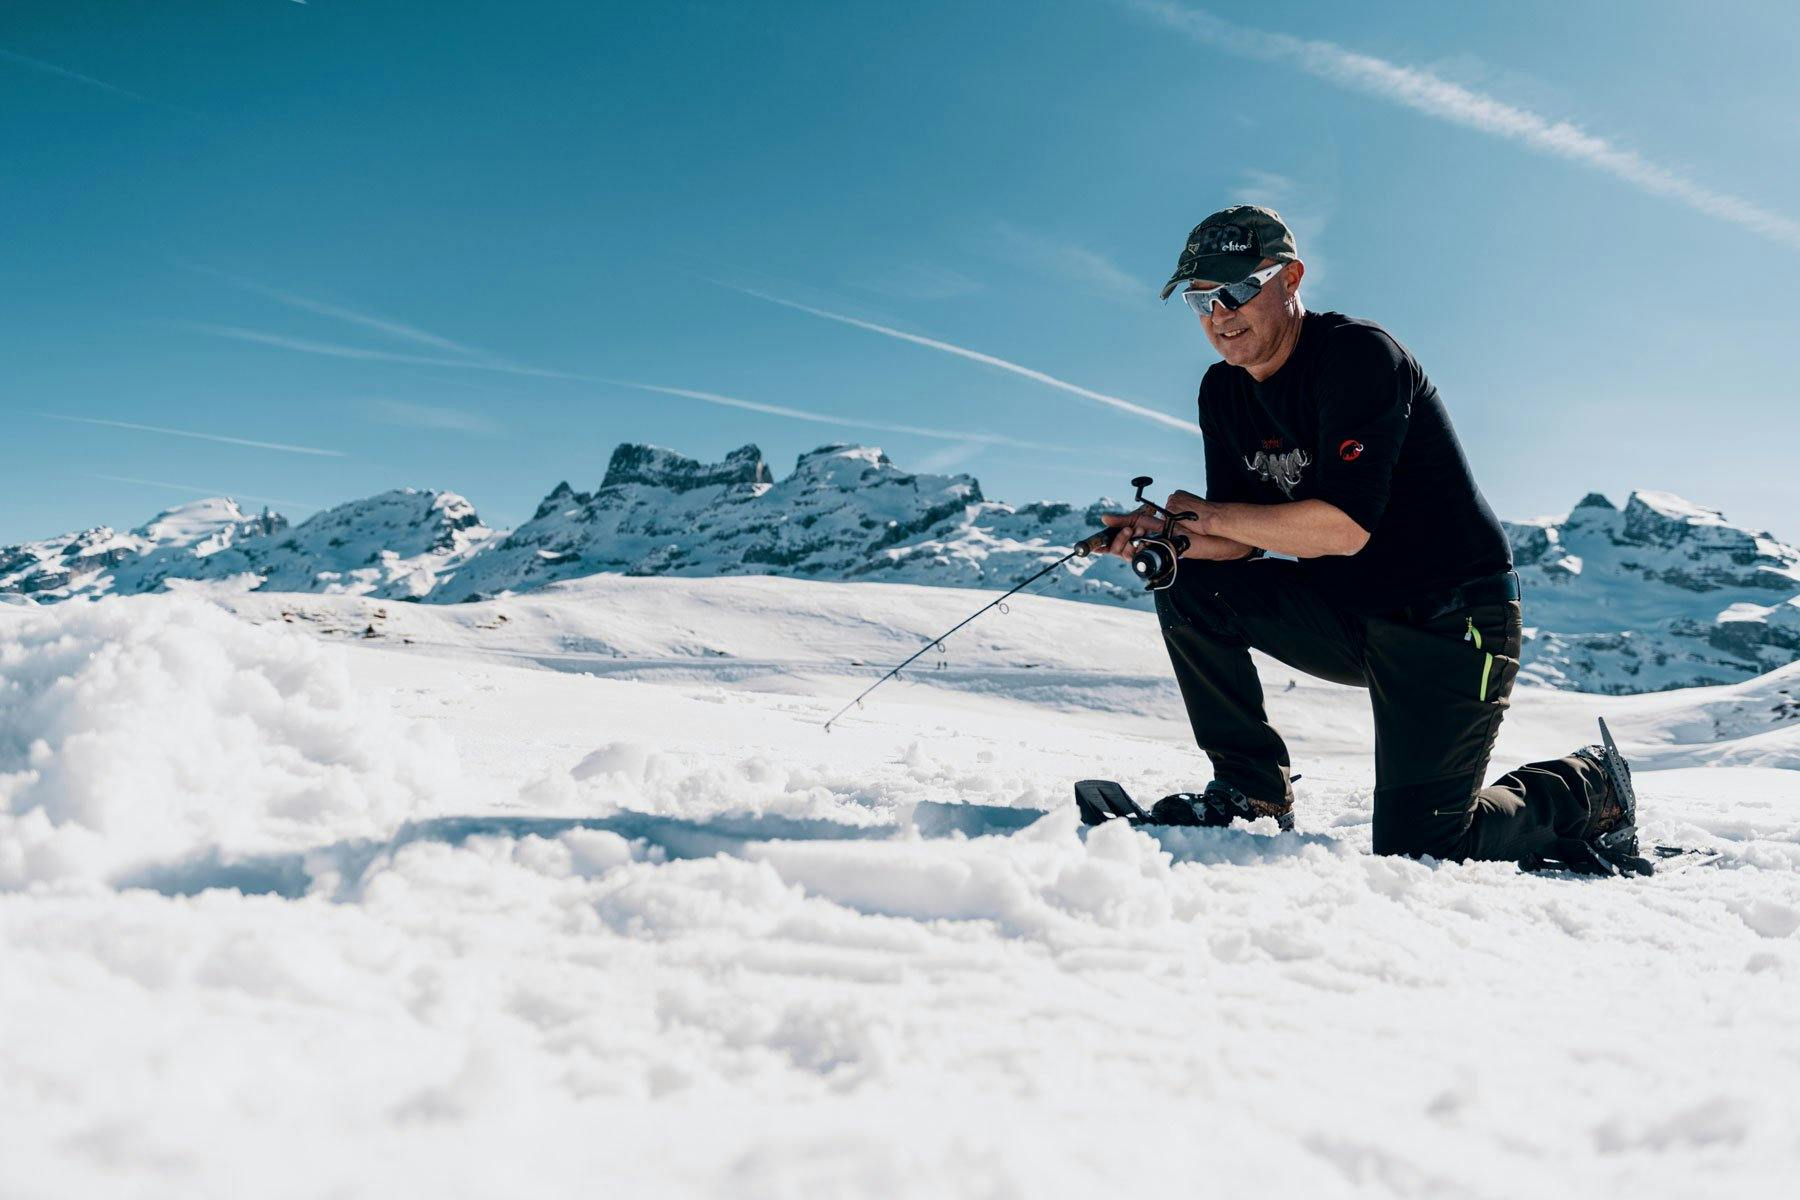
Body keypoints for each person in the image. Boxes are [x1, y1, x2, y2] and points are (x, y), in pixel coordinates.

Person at [1097, 205, 1648, 875]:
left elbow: (1344, 528)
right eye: (1200, 299)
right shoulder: (1223, 391)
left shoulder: (1357, 356)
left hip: (1452, 621)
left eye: (1236, 290)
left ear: (1291, 278)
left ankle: (1585, 791)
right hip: (1350, 616)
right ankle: (1252, 792)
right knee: (1186, 584)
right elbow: (1241, 543)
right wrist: (1169, 541)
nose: (1219, 314)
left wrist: (1207, 519)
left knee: (1425, 850)